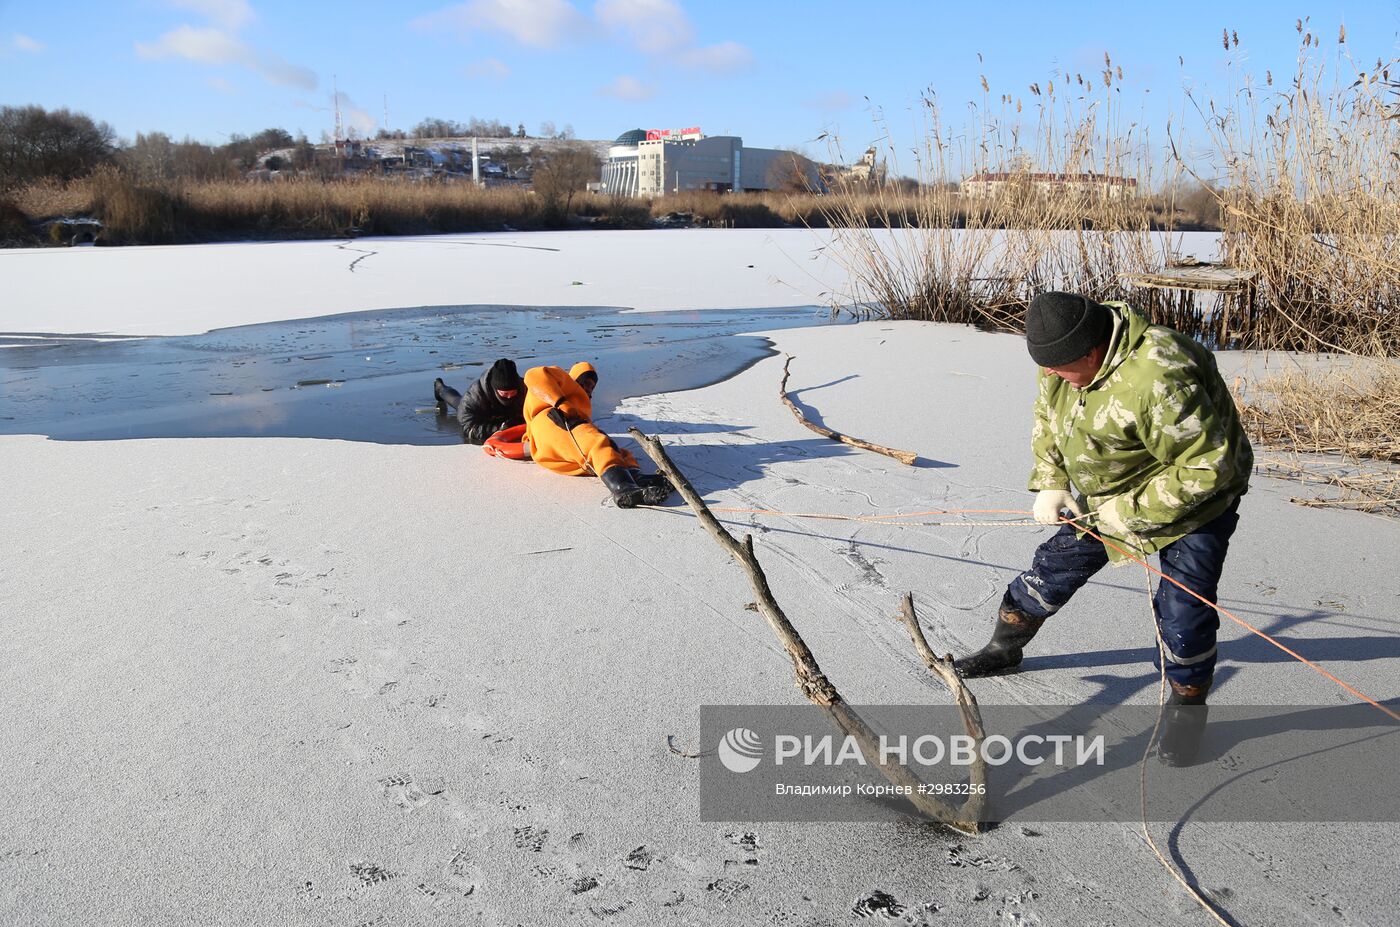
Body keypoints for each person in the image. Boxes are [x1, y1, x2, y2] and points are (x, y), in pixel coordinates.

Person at [954, 292, 1253, 766]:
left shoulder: (1160, 375)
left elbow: (1208, 469)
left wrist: (1126, 514)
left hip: (1196, 505)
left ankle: (1187, 712)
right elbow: (1048, 417)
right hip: (1104, 497)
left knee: (1184, 616)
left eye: (1058, 367)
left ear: (1092, 351)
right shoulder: (1059, 356)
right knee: (1048, 574)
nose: (1049, 374)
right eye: (1045, 367)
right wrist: (1050, 481)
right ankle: (1003, 649)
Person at [522, 361, 672, 508]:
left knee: (617, 450)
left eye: (592, 387)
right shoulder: (561, 380)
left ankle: (634, 476)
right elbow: (532, 375)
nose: (588, 388)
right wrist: (561, 402)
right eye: (586, 382)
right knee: (596, 443)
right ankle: (623, 489)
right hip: (551, 420)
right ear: (575, 378)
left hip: (557, 448)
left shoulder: (583, 406)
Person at [434, 359, 525, 444]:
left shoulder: (526, 389)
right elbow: (468, 429)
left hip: (508, 415)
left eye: (513, 392)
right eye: (505, 394)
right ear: (495, 389)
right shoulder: (474, 397)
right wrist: (498, 429)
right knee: (458, 402)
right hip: (483, 416)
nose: (509, 397)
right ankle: (440, 388)